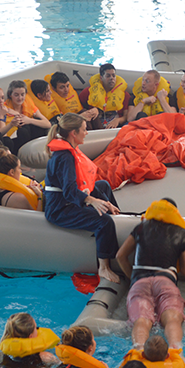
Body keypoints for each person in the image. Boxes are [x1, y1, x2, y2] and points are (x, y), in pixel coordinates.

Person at [43, 113, 121, 283]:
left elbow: (82, 185)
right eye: (84, 130)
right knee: (104, 222)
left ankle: (119, 218)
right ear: (73, 133)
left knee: (103, 186)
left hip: (68, 200)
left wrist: (104, 202)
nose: (87, 133)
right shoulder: (64, 157)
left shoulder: (69, 150)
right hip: (60, 209)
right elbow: (70, 192)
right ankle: (104, 268)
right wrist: (92, 201)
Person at [116, 198, 185, 349]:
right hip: (165, 281)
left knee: (141, 320)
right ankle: (176, 351)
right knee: (172, 319)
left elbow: (120, 256)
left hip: (140, 282)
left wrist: (132, 278)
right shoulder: (181, 233)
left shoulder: (140, 228)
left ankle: (138, 351)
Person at [4, 80, 52, 152]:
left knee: (37, 126)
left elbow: (48, 124)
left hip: (31, 138)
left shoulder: (29, 104)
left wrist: (29, 120)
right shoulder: (5, 109)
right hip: (16, 140)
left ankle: (40, 150)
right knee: (23, 130)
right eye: (16, 95)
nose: (20, 98)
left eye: (22, 94)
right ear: (10, 94)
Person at [78, 63, 131, 129]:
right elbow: (78, 109)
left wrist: (118, 120)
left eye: (113, 75)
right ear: (101, 78)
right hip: (94, 129)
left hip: (114, 129)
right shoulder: (88, 92)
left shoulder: (124, 95)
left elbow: (126, 116)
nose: (111, 78)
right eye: (108, 76)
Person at [117, 334, 185, 368]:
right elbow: (181, 362)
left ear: (143, 355)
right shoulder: (174, 367)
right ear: (167, 356)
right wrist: (173, 351)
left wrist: (136, 353)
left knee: (139, 345)